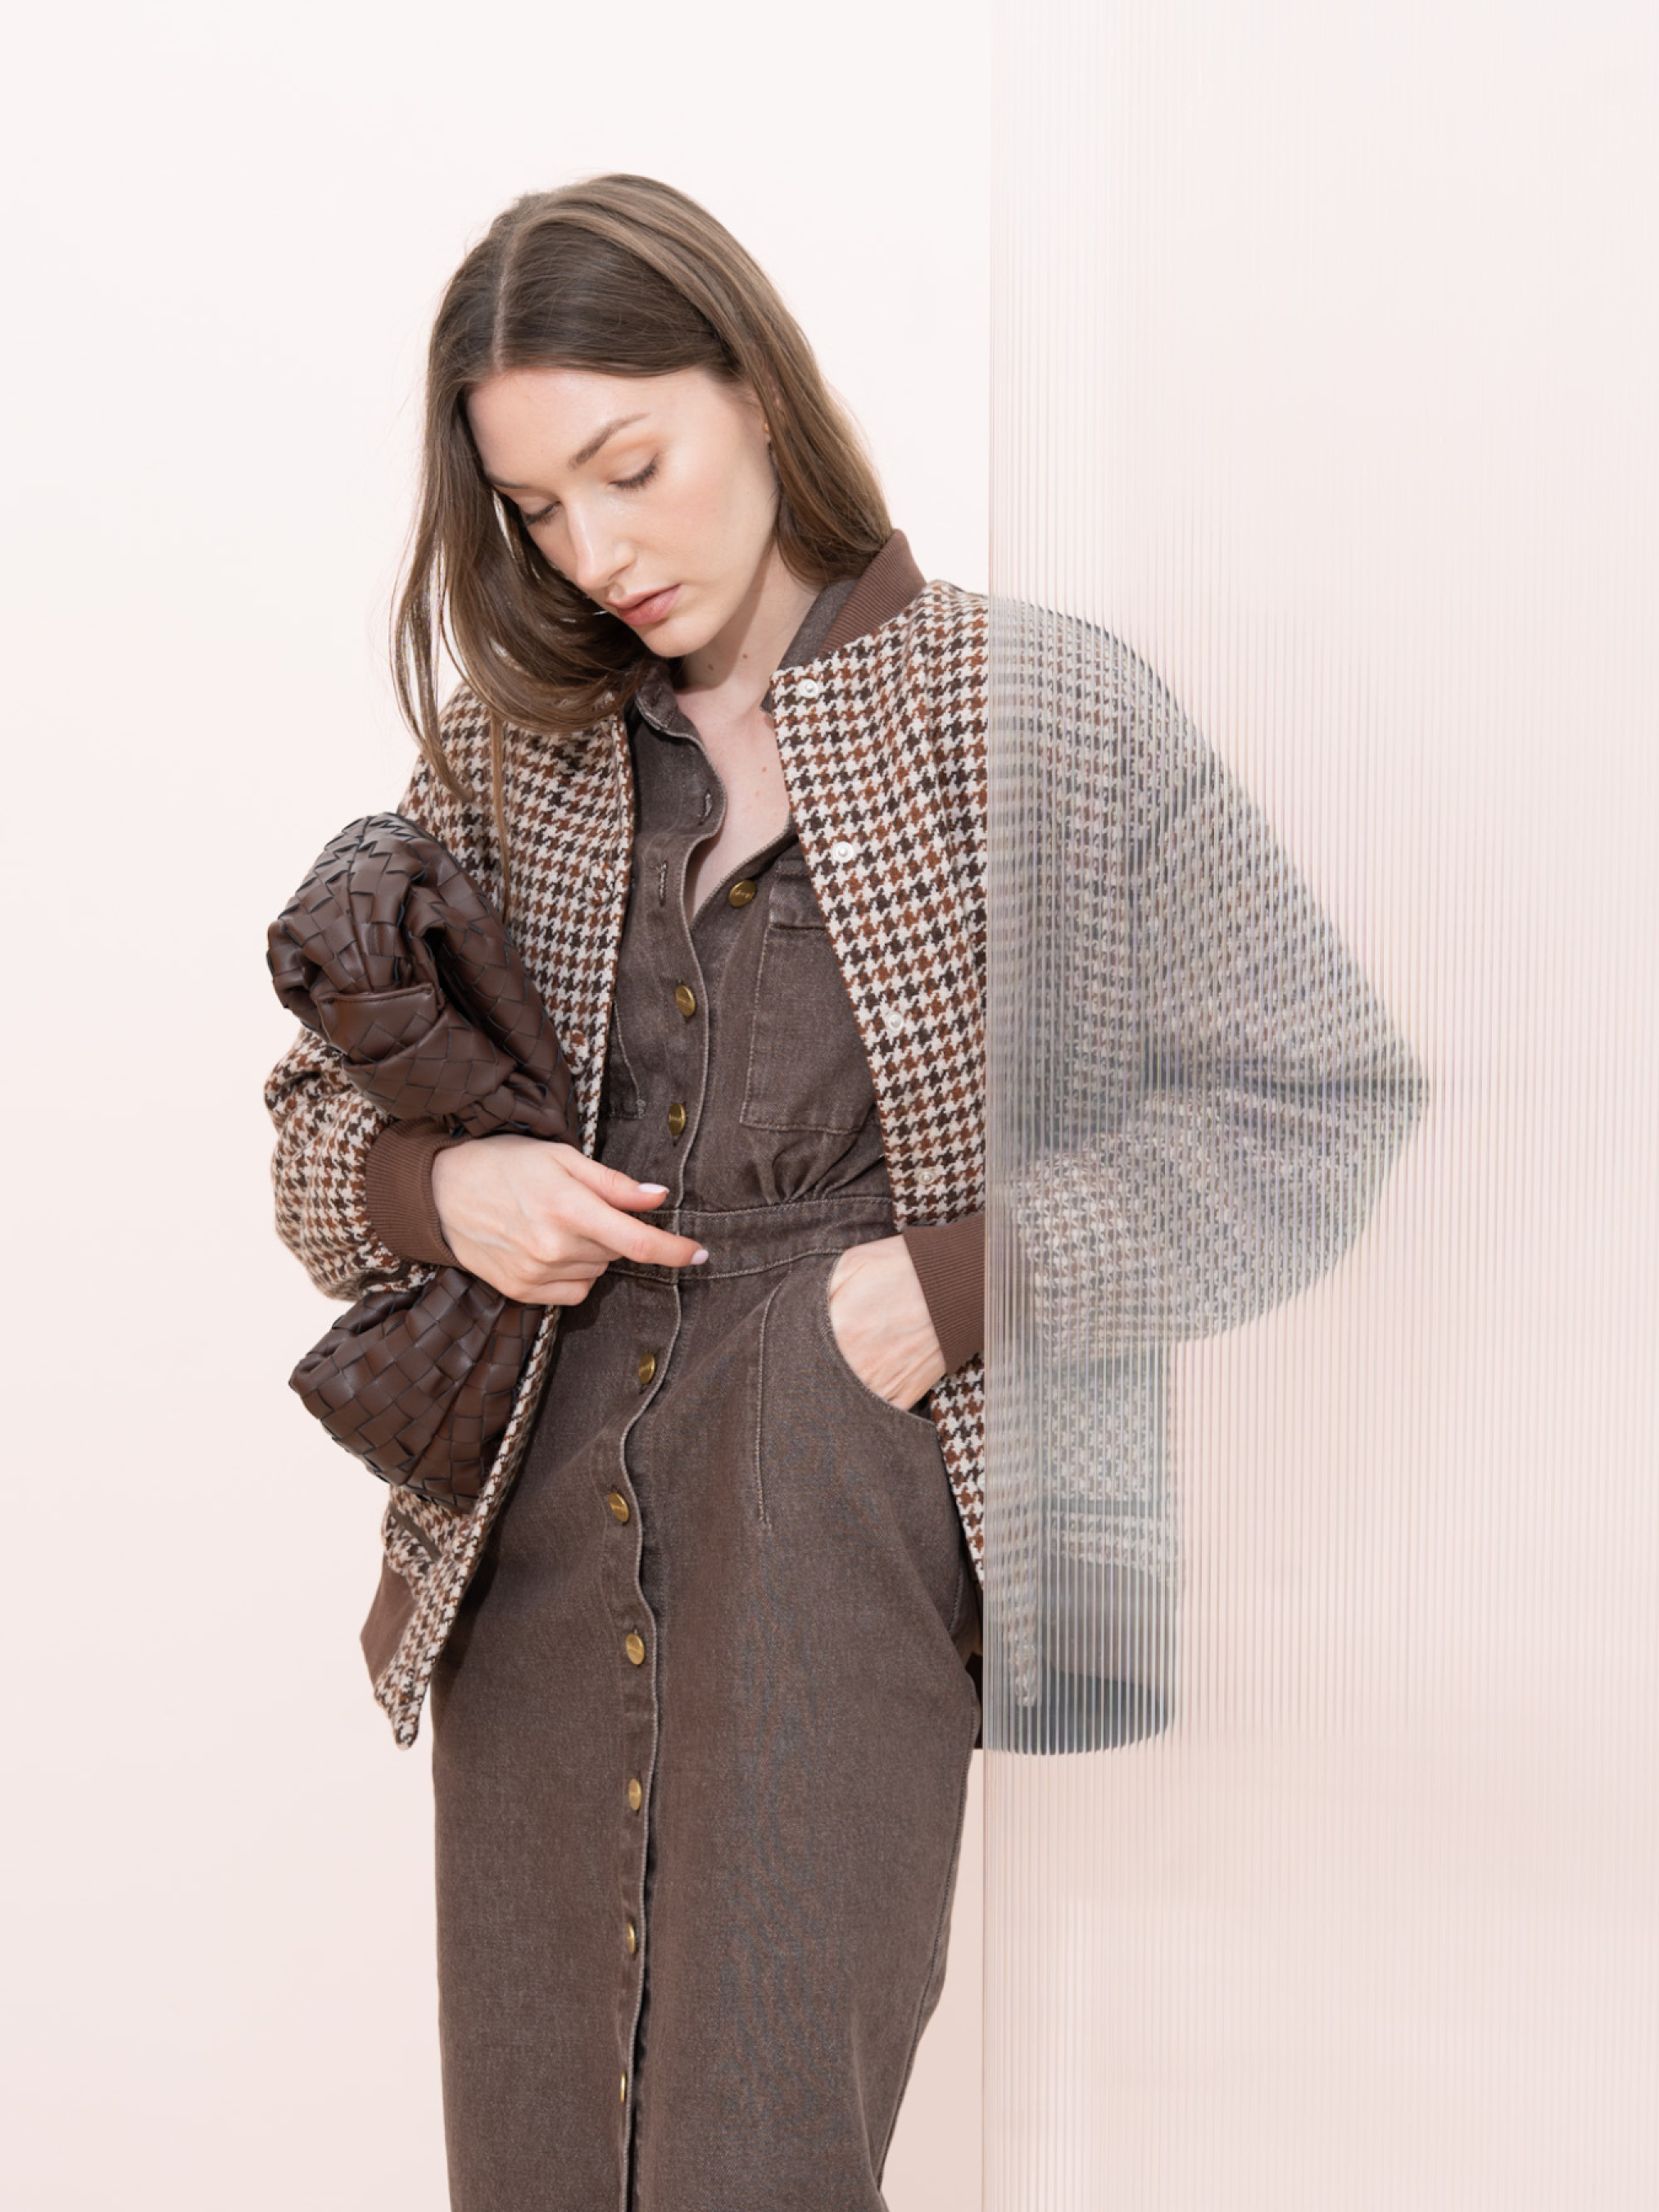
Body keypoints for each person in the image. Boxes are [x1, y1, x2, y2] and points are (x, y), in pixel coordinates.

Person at [265, 173, 1421, 2211]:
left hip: (836, 1497)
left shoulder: (1028, 706)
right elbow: (306, 1133)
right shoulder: (512, 754)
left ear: (755, 388)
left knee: (764, 2153)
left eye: (630, 468)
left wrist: (953, 1289)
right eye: (536, 507)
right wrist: (459, 1190)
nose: (594, 551)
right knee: (531, 2155)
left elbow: (1314, 1098)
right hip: (532, 1519)